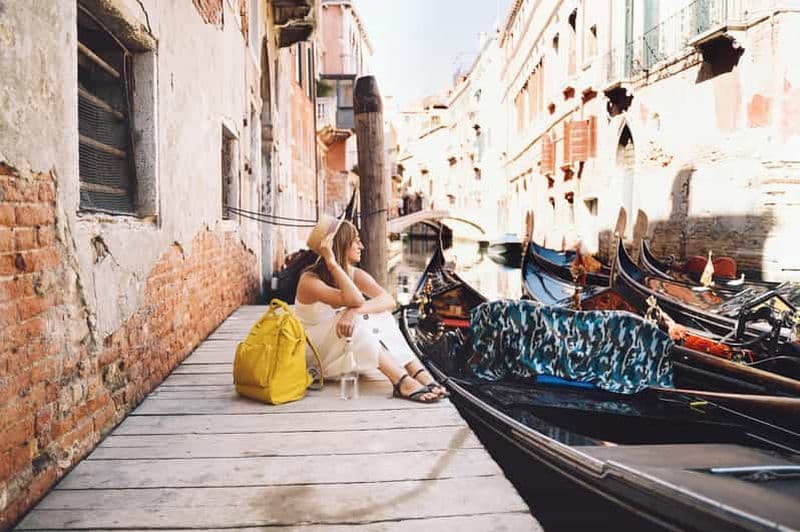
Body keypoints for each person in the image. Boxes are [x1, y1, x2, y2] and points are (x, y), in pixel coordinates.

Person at [295, 215, 447, 403]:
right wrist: (332, 264)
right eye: (356, 241)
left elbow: (388, 300)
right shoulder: (310, 281)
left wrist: (353, 311)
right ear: (340, 245)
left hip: (337, 352)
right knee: (358, 320)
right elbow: (355, 299)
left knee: (380, 314)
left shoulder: (353, 273)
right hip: (313, 358)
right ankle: (401, 381)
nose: (362, 246)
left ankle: (417, 371)